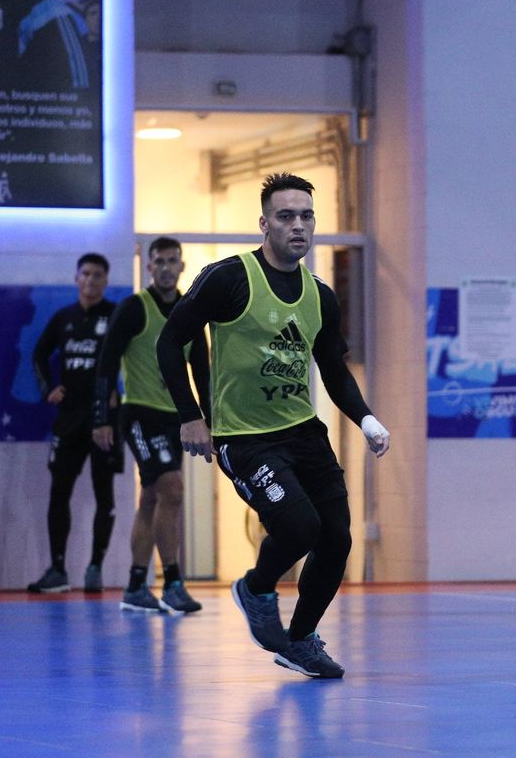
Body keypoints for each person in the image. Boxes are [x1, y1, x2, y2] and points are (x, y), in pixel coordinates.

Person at [157, 172, 390, 679]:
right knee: (299, 526)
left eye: (306, 216)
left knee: (337, 539)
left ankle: (301, 640)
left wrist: (367, 418)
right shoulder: (228, 277)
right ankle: (257, 588)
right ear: (264, 223)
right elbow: (170, 342)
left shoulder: (320, 295)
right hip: (244, 437)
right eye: (286, 216)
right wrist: (191, 415)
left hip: (305, 433)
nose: (298, 226)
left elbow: (332, 369)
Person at [92, 237, 210, 615]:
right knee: (172, 489)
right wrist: (101, 418)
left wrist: (210, 420)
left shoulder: (191, 314)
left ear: (181, 266)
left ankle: (135, 584)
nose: (164, 267)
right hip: (139, 414)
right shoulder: (134, 308)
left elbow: (203, 373)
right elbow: (106, 363)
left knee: (153, 498)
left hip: (175, 418)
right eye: (158, 261)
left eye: (171, 261)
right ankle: (173, 581)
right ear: (148, 266)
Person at [28, 252, 121, 593]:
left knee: (104, 495)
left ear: (105, 281)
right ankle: (57, 570)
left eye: (98, 275)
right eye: (85, 274)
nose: (91, 281)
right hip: (68, 421)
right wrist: (47, 389)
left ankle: (95, 567)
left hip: (105, 420)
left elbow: (137, 357)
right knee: (59, 493)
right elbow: (38, 355)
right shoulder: (63, 318)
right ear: (76, 278)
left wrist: (116, 395)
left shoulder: (115, 316)